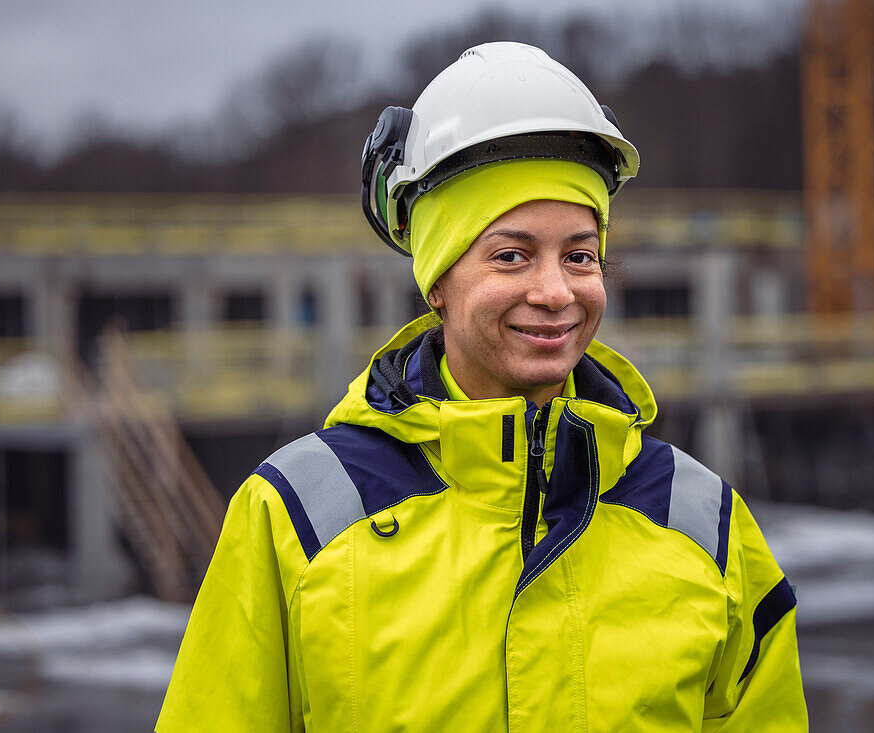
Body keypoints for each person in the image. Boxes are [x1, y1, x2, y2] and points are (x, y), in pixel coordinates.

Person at [157, 42, 807, 731]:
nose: (556, 291)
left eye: (580, 255)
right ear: (437, 279)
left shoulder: (703, 524)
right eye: (511, 255)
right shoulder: (297, 518)